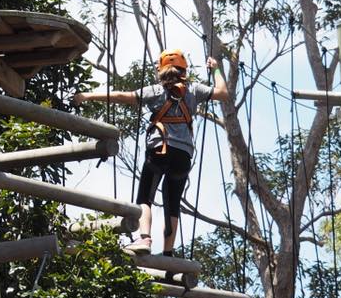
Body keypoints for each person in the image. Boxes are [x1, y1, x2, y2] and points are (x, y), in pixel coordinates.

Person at [73, 49, 228, 255]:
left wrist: (88, 96)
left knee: (145, 197)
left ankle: (144, 239)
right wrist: (216, 70)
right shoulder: (194, 90)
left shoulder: (155, 91)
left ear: (161, 69)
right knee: (172, 204)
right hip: (183, 156)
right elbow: (223, 93)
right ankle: (168, 252)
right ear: (183, 70)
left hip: (160, 150)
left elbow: (123, 96)